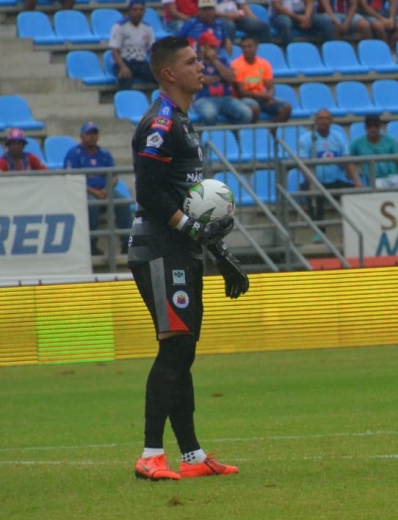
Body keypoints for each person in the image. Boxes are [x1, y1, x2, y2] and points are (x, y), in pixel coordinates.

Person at [129, 36, 247, 481]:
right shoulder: (160, 123)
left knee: (183, 351)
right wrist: (191, 231)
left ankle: (192, 456)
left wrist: (218, 251)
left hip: (180, 249)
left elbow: (187, 201)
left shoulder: (182, 121)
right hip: (160, 250)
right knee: (175, 349)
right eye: (191, 61)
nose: (202, 66)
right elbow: (149, 191)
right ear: (169, 74)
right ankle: (150, 454)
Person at [64, 122, 134, 255]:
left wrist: (106, 190)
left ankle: (127, 245)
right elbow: (71, 179)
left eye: (94, 134)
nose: (92, 137)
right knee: (93, 205)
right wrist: (94, 192)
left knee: (123, 202)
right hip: (83, 191)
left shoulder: (103, 153)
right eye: (88, 134)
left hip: (104, 190)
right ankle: (91, 246)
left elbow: (114, 176)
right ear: (81, 136)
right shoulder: (74, 154)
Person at [299, 108, 364, 241]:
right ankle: (319, 232)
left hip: (333, 180)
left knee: (355, 192)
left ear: (332, 121)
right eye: (320, 118)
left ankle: (352, 230)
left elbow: (347, 159)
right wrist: (312, 182)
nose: (324, 121)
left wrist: (356, 181)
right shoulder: (306, 138)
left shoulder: (338, 137)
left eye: (327, 118)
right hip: (313, 180)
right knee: (315, 194)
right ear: (315, 121)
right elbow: (304, 164)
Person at [193, 32, 253, 126]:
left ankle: (233, 134)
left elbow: (231, 78)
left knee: (246, 113)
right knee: (209, 115)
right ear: (202, 47)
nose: (215, 49)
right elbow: (201, 80)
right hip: (204, 98)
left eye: (215, 46)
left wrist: (215, 61)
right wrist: (221, 77)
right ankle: (210, 136)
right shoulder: (195, 62)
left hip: (226, 98)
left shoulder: (222, 61)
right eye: (211, 46)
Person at [231, 36, 292, 123]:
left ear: (256, 47)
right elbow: (240, 92)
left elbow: (270, 86)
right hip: (244, 98)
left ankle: (273, 130)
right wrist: (262, 96)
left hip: (262, 98)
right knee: (254, 108)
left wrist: (269, 96)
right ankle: (253, 131)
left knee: (286, 107)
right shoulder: (236, 65)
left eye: (250, 46)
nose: (247, 49)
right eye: (244, 47)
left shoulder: (264, 63)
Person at [349, 114, 398, 188]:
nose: (373, 129)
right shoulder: (358, 142)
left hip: (394, 176)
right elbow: (348, 158)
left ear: (380, 126)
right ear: (365, 128)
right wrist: (356, 180)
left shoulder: (390, 140)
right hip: (375, 179)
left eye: (376, 126)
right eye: (370, 126)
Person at [110, 0, 157, 92]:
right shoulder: (120, 26)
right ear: (129, 11)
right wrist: (123, 67)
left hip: (141, 63)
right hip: (124, 62)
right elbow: (115, 50)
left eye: (141, 10)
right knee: (125, 79)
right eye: (135, 10)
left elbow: (152, 49)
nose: (138, 12)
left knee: (164, 79)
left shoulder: (147, 28)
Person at [272, 0, 336, 47]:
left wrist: (307, 17)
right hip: (281, 15)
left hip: (302, 14)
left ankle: (331, 50)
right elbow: (277, 7)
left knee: (325, 20)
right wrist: (297, 17)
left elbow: (309, 3)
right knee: (286, 22)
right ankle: (290, 51)